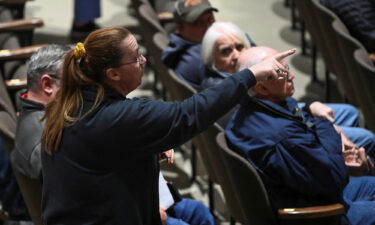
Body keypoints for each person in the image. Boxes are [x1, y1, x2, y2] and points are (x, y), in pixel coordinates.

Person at [40, 27, 295, 225]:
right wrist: (250, 75)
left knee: (195, 212)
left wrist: (144, 152)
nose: (144, 60)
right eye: (136, 57)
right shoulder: (118, 117)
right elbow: (189, 113)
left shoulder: (70, 104)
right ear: (113, 74)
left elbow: (99, 159)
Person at [225, 47, 375, 225]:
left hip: (304, 188)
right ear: (262, 87)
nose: (292, 76)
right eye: (282, 72)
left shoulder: (248, 109)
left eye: (287, 68)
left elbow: (298, 111)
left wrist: (313, 112)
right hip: (317, 213)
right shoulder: (282, 136)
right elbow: (335, 179)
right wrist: (331, 134)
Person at [11, 44, 72, 180]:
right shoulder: (48, 143)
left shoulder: (32, 115)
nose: (81, 91)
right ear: (48, 85)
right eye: (74, 82)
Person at [161, 0, 218, 89]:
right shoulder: (200, 59)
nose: (208, 26)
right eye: (198, 23)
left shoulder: (175, 46)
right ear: (180, 28)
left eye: (210, 19)